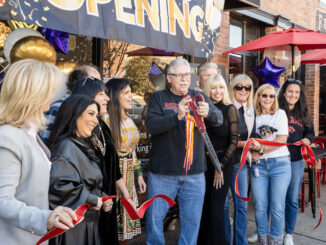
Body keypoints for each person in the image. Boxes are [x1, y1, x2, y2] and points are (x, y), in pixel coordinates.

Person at [145, 58, 223, 245]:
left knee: (191, 222)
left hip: (194, 174)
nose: (184, 79)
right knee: (154, 220)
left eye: (187, 75)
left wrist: (209, 113)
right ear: (169, 77)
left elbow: (219, 119)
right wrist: (176, 115)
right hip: (163, 173)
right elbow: (151, 126)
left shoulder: (199, 97)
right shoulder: (159, 98)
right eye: (179, 75)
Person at [0, 59, 76, 244]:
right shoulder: (9, 136)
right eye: (49, 89)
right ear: (34, 92)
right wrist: (45, 218)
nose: (53, 94)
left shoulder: (28, 134)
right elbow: (2, 201)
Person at [71, 77, 133, 245]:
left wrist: (126, 196)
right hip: (89, 208)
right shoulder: (78, 132)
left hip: (107, 203)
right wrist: (96, 199)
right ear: (86, 98)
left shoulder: (101, 126)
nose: (107, 98)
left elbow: (113, 166)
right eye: (101, 94)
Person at [48, 95, 114, 244]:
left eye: (96, 116)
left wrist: (102, 198)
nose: (96, 121)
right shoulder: (66, 147)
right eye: (91, 114)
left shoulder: (79, 146)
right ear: (74, 114)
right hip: (72, 232)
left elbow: (85, 183)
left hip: (85, 226)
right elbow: (59, 186)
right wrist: (93, 199)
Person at [197, 74, 238, 245]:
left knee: (216, 210)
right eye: (213, 87)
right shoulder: (202, 110)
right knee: (204, 209)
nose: (218, 91)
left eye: (221, 87)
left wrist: (219, 167)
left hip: (223, 164)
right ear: (207, 90)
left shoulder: (230, 109)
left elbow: (234, 141)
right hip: (202, 165)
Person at [105, 78, 146, 242]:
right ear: (115, 96)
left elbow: (133, 152)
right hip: (114, 175)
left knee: (127, 224)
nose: (131, 97)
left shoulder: (129, 119)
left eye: (131, 92)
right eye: (126, 93)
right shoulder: (106, 120)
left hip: (129, 175)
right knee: (114, 220)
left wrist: (139, 175)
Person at [250, 84, 291, 245]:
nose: (268, 99)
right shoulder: (252, 115)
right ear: (258, 97)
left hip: (279, 165)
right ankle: (262, 239)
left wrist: (260, 150)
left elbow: (281, 140)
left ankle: (275, 241)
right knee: (259, 205)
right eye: (264, 95)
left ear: (275, 99)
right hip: (258, 167)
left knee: (277, 206)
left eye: (271, 96)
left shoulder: (280, 114)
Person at [278, 79, 315, 245]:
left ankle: (289, 234)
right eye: (290, 91)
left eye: (296, 92)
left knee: (292, 199)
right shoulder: (276, 109)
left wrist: (307, 140)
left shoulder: (304, 113)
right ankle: (269, 231)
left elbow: (311, 133)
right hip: (277, 159)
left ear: (300, 96)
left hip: (296, 161)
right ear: (284, 93)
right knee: (275, 199)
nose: (293, 95)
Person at [225, 74, 255, 245]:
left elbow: (254, 135)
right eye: (239, 87)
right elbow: (224, 137)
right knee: (222, 207)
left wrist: (256, 145)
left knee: (241, 206)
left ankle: (240, 242)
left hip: (241, 164)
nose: (243, 90)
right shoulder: (227, 107)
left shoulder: (250, 111)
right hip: (223, 163)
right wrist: (243, 143)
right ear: (233, 88)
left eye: (247, 87)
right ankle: (224, 240)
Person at [40, 63, 101, 145]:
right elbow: (46, 146)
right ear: (79, 82)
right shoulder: (57, 108)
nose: (99, 87)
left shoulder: (92, 108)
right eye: (93, 82)